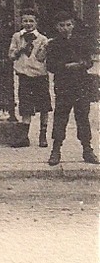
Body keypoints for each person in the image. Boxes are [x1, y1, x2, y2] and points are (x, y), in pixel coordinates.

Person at [40, 12, 98, 167]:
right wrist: (65, 66)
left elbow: (89, 62)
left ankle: (87, 149)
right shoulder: (53, 44)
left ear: (73, 25)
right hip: (63, 85)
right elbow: (50, 66)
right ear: (56, 27)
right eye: (61, 25)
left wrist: (81, 64)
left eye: (68, 24)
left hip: (81, 84)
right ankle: (56, 150)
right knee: (61, 116)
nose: (65, 28)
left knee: (82, 117)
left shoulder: (82, 42)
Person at [7, 9, 51, 148]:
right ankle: (24, 136)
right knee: (25, 106)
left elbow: (42, 58)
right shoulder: (17, 37)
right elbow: (11, 56)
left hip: (39, 76)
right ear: (21, 22)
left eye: (31, 21)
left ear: (36, 22)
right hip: (24, 76)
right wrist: (21, 48)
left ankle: (42, 135)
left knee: (44, 106)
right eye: (25, 21)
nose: (28, 24)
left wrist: (43, 48)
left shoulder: (42, 39)